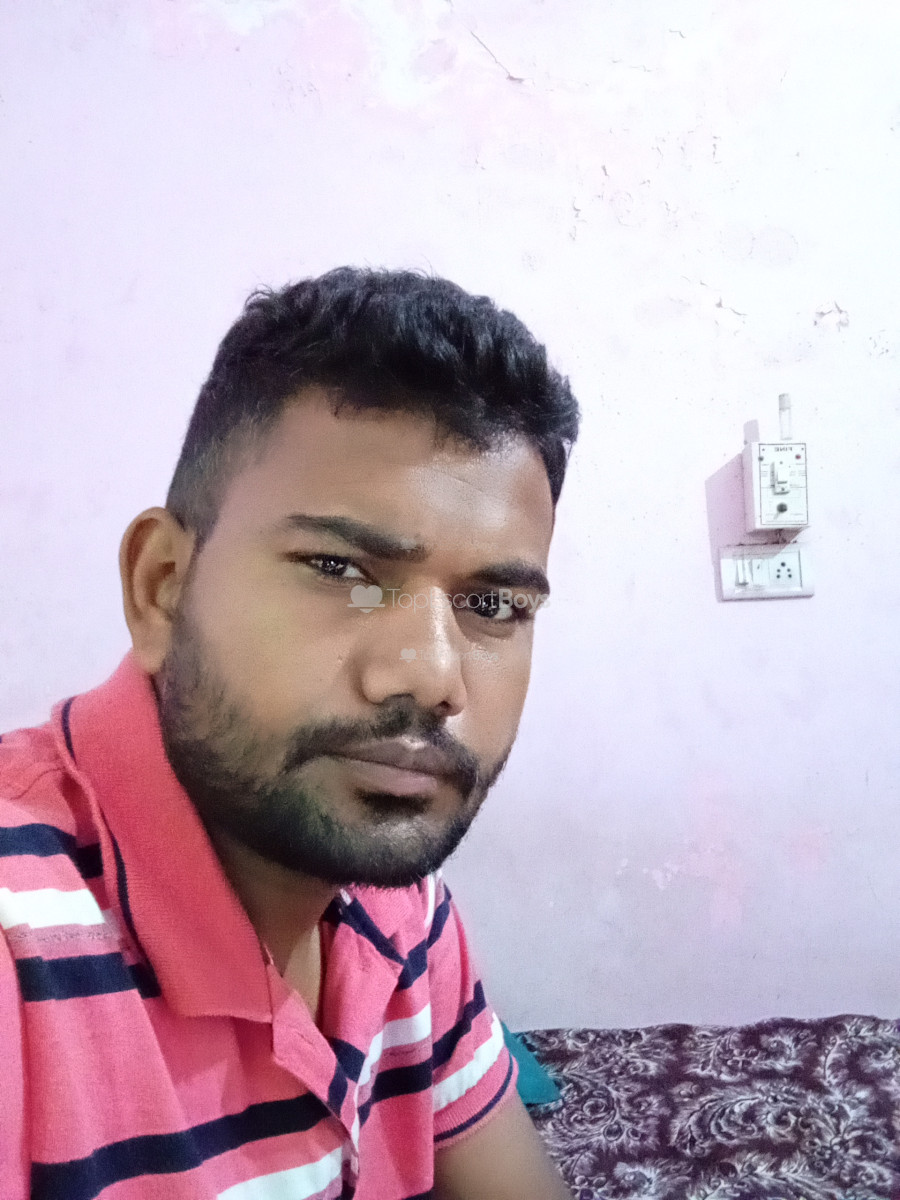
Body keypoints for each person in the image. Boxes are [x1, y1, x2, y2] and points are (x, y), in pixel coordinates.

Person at [0, 267, 580, 1199]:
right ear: (161, 586)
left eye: (492, 604)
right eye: (341, 569)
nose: (433, 677)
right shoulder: (21, 944)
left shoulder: (402, 907)